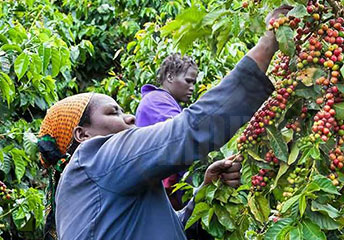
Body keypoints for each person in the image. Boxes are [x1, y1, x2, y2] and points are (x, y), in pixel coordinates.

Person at [37, 6, 291, 239]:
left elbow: (170, 230)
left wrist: (203, 191)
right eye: (113, 112)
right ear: (82, 135)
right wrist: (269, 42)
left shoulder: (90, 187)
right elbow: (191, 130)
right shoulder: (95, 158)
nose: (131, 117)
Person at [136, 53, 198, 211]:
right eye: (188, 81)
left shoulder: (165, 102)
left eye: (194, 82)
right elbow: (184, 134)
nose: (192, 87)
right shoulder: (157, 101)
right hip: (164, 192)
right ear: (170, 76)